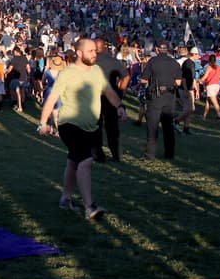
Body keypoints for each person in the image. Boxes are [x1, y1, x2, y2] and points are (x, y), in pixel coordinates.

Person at [37, 37, 125, 220]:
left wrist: (120, 107)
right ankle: (89, 207)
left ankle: (65, 198)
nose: (95, 54)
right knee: (85, 161)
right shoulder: (68, 73)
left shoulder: (97, 71)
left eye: (95, 51)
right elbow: (52, 98)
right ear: (79, 53)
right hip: (70, 124)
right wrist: (43, 123)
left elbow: (109, 92)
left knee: (73, 161)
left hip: (90, 127)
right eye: (91, 51)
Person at [138, 42, 183, 160]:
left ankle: (150, 154)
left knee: (152, 127)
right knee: (168, 127)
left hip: (155, 97)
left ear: (157, 49)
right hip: (170, 97)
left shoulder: (152, 62)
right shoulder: (175, 63)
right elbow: (178, 83)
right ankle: (169, 154)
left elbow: (143, 80)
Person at [94, 37, 128, 161]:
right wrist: (120, 91)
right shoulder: (113, 61)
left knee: (96, 126)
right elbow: (126, 76)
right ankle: (116, 154)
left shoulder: (91, 61)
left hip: (95, 97)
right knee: (112, 127)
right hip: (111, 96)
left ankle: (98, 154)